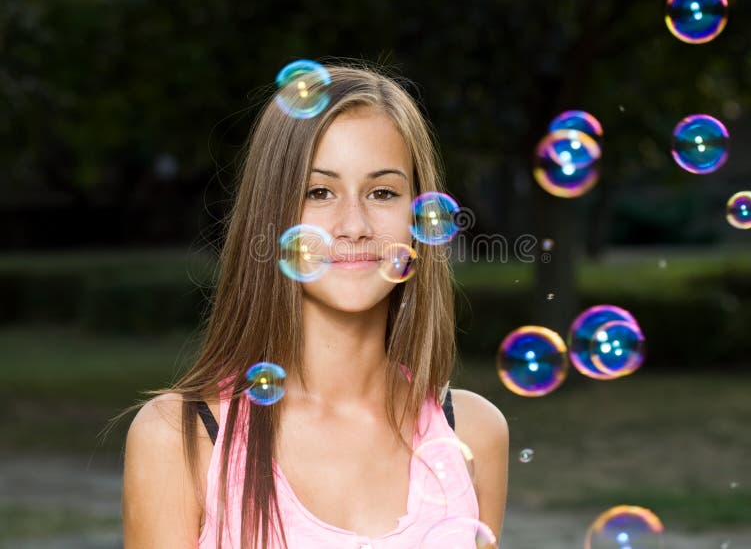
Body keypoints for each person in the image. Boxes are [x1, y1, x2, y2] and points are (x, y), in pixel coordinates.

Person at [122, 64, 509, 548]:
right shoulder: (182, 436)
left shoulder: (472, 431)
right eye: (319, 192)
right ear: (274, 212)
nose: (354, 224)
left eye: (383, 192)